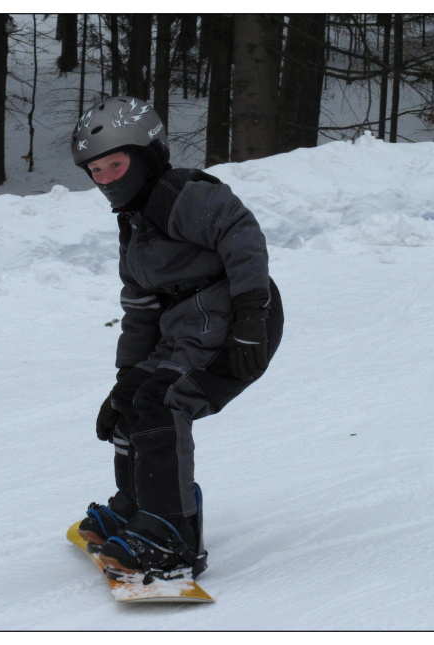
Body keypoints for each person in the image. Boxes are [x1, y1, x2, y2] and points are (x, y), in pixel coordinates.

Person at [71, 96, 284, 579]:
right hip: (189, 330)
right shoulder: (135, 222)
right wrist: (125, 376)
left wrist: (252, 316)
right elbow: (140, 309)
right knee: (135, 399)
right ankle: (139, 507)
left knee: (164, 400)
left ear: (146, 155)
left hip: (237, 324)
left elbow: (242, 233)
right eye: (95, 170)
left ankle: (172, 532)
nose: (105, 179)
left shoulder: (182, 196)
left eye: (115, 164)